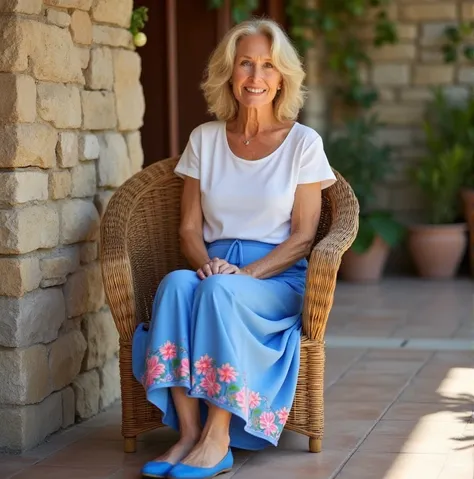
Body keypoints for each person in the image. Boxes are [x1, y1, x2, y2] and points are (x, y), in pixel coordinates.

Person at [132, 18, 336, 479]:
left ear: (282, 77)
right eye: (246, 63)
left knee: (218, 293)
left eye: (267, 65)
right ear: (229, 72)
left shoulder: (304, 143)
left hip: (275, 277)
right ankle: (186, 433)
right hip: (215, 266)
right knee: (178, 286)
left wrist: (243, 277)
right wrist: (208, 268)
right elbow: (188, 229)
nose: (256, 76)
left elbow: (304, 235)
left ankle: (217, 436)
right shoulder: (204, 139)